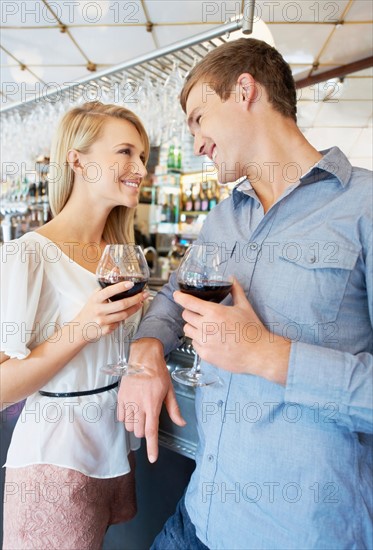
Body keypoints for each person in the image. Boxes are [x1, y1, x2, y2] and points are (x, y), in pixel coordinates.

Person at [117, 38, 373, 549]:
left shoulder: (362, 205)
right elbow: (172, 296)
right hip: (198, 518)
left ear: (245, 91)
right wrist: (146, 351)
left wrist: (267, 355)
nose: (196, 144)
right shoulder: (224, 216)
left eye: (198, 119)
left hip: (300, 535)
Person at [0, 101, 150, 549]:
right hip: (56, 458)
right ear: (77, 160)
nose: (140, 168)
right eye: (125, 152)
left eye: (143, 156)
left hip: (111, 446)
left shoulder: (120, 251)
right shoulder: (27, 254)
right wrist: (82, 328)